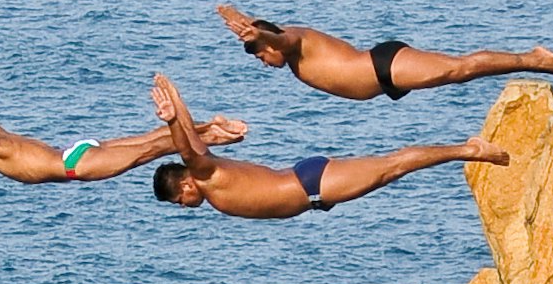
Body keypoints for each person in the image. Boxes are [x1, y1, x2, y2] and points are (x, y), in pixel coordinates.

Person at [146, 72, 508, 221]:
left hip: (312, 186)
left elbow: (188, 150)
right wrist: (177, 102)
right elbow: (193, 145)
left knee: (392, 166)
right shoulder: (209, 174)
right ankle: (465, 149)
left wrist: (171, 119)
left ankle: (468, 149)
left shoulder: (205, 175)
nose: (185, 206)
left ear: (185, 184)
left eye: (179, 200)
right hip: (311, 186)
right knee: (389, 166)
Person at [0, 72, 245, 184]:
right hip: (75, 151)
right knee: (152, 139)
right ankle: (212, 126)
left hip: (75, 166)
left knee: (154, 147)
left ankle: (216, 133)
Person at [215, 6, 553, 101]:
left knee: (459, 69)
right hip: (382, 79)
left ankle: (533, 58)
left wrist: (258, 31)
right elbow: (271, 36)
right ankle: (531, 59)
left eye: (261, 55)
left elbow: (281, 37)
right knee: (457, 72)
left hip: (383, 66)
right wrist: (242, 21)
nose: (264, 61)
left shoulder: (294, 41)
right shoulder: (291, 57)